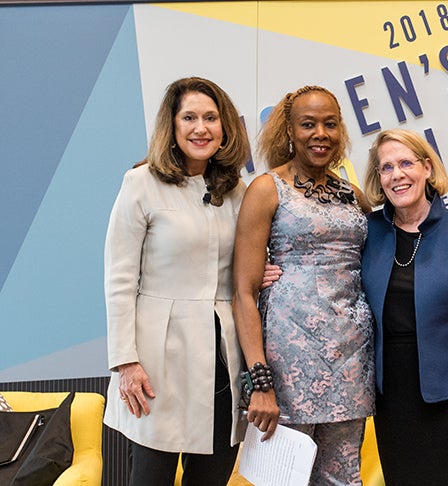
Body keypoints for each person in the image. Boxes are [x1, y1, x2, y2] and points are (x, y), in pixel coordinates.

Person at [103, 77, 251, 485]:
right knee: (150, 475)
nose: (200, 128)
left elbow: (249, 264)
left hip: (223, 356)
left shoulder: (239, 191)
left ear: (225, 129)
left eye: (210, 118)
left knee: (213, 474)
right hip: (155, 360)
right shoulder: (141, 182)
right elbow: (118, 279)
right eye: (189, 117)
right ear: (173, 125)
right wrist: (126, 362)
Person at [232, 85, 376, 486]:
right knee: (284, 480)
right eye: (308, 124)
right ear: (289, 132)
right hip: (288, 360)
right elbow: (243, 291)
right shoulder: (266, 189)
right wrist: (260, 381)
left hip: (351, 357)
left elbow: (399, 233)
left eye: (330, 124)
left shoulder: (352, 195)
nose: (321, 134)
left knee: (344, 479)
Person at [360, 128, 448, 485]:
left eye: (406, 163)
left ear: (427, 169)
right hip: (391, 396)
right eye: (386, 167)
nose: (397, 174)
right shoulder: (367, 231)